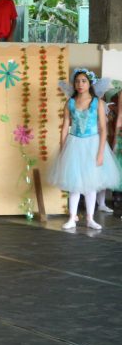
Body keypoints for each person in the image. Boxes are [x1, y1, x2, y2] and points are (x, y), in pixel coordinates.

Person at [48, 68, 122, 233]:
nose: (80, 84)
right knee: (74, 184)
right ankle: (72, 218)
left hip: (92, 144)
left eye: (83, 81)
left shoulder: (97, 103)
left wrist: (101, 152)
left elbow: (103, 129)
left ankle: (90, 218)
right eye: (77, 81)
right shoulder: (70, 102)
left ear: (90, 84)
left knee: (91, 183)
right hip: (74, 144)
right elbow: (65, 127)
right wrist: (63, 148)